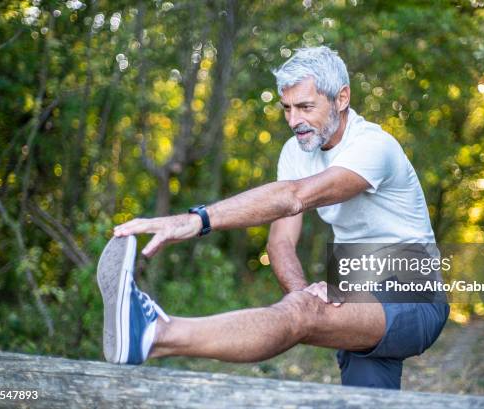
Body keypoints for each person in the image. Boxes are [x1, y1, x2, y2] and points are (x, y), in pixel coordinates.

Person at [97, 46, 449, 389]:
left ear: (341, 99)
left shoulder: (374, 146)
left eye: (306, 107)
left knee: (304, 313)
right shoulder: (295, 152)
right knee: (366, 401)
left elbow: (293, 198)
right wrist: (307, 298)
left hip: (412, 288)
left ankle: (153, 334)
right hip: (356, 287)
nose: (294, 121)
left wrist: (198, 219)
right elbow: (280, 241)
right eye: (287, 109)